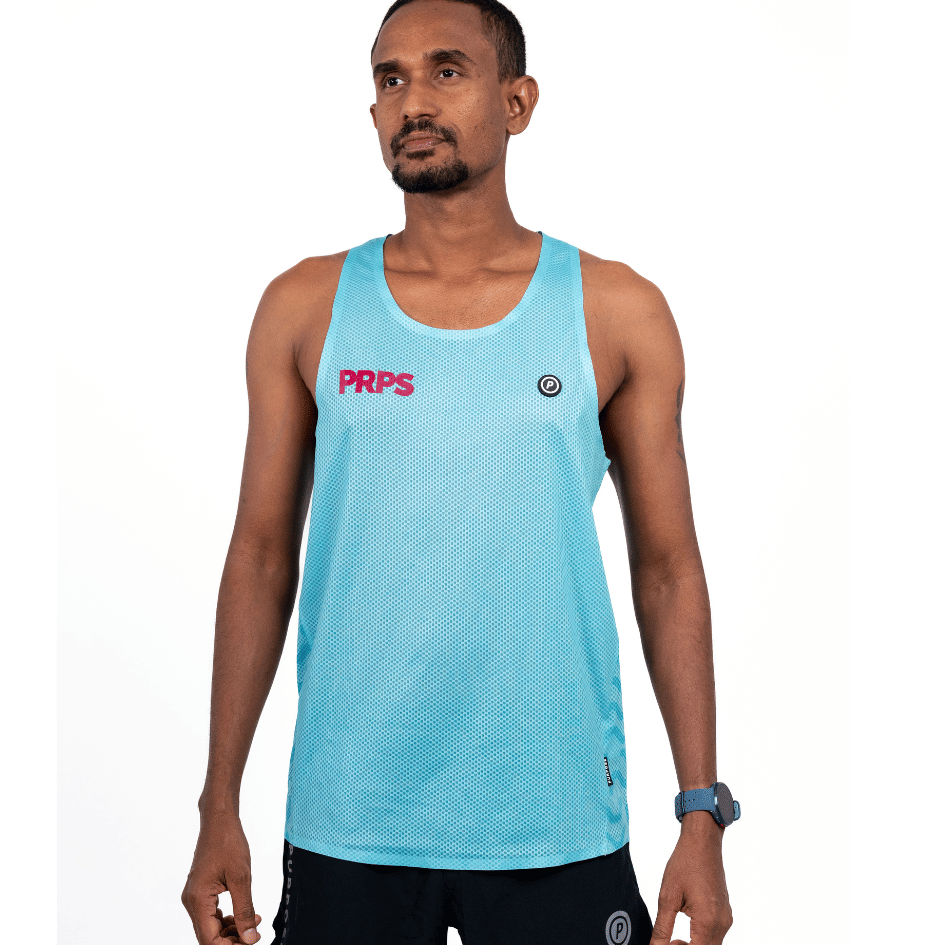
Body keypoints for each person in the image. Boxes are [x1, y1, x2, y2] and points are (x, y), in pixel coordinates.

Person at [181, 1, 738, 943]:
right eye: (389, 78)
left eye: (446, 71)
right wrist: (217, 805)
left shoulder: (615, 309)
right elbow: (262, 557)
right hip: (349, 816)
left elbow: (668, 570)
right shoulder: (305, 307)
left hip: (554, 818)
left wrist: (700, 812)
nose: (413, 101)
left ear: (516, 102)